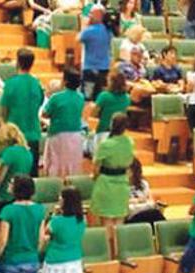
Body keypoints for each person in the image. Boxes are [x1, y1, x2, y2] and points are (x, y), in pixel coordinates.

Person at [0, 175, 45, 273]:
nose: (9, 185)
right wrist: (35, 254)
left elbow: (2, 240)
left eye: (11, 183)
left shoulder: (8, 210)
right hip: (31, 259)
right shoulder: (39, 209)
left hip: (10, 261)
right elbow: (41, 239)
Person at [92, 114, 135, 247]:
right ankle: (118, 250)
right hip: (122, 183)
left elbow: (96, 167)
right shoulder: (129, 142)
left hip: (106, 183)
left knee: (107, 222)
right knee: (119, 222)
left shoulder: (106, 144)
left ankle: (108, 252)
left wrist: (95, 178)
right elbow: (130, 163)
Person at [1, 48, 45, 174]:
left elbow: (4, 110)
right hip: (34, 134)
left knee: (14, 175)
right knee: (32, 175)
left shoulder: (10, 84)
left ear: (18, 63)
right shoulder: (36, 83)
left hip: (15, 135)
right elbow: (40, 102)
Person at [40, 187, 86, 273]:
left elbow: (45, 233)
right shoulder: (81, 220)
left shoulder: (56, 221)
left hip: (56, 263)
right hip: (75, 262)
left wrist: (53, 215)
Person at [42, 70, 85, 177]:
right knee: (72, 164)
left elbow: (45, 114)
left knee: (55, 164)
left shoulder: (56, 97)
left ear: (65, 81)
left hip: (58, 134)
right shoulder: (81, 97)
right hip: (76, 135)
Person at [0, 124, 33, 208]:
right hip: (21, 195)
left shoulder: (9, 152)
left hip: (5, 196)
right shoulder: (27, 152)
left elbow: (0, 178)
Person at [79, 4, 112, 100]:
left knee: (87, 97)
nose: (89, 15)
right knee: (99, 97)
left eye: (91, 13)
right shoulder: (108, 31)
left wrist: (86, 24)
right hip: (104, 69)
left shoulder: (89, 31)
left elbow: (78, 38)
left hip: (90, 69)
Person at [126, 158, 165, 224]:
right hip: (131, 216)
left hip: (144, 211)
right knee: (154, 214)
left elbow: (150, 201)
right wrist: (138, 200)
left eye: (127, 169)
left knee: (155, 213)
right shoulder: (119, 187)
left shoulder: (143, 184)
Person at [92, 71, 130, 136]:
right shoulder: (127, 97)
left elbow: (94, 114)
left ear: (112, 82)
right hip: (118, 131)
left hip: (102, 130)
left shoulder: (104, 96)